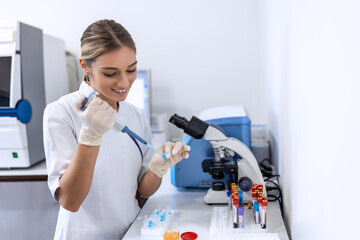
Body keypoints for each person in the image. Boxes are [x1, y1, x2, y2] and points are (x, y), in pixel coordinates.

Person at [43, 19, 190, 239]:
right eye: (111, 73)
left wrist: (159, 168)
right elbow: (70, 202)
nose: (124, 83)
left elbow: (143, 190)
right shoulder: (61, 112)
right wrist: (90, 137)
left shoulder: (135, 114)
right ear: (85, 66)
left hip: (131, 231)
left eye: (131, 70)